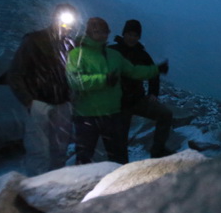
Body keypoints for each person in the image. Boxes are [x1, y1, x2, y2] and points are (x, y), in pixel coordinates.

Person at [67, 17, 169, 165]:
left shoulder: (113, 55)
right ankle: (81, 187)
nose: (102, 35)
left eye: (104, 32)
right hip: (87, 115)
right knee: (84, 159)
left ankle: (122, 187)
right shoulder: (77, 54)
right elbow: (75, 81)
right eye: (97, 32)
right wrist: (104, 79)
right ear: (89, 32)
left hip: (112, 114)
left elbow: (133, 71)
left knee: (118, 159)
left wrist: (156, 69)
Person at [7, 3, 79, 175]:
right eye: (63, 20)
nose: (67, 26)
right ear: (54, 18)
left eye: (70, 22)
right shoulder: (34, 40)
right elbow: (15, 72)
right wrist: (28, 100)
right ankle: (34, 191)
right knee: (38, 151)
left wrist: (71, 98)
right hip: (39, 103)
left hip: (62, 103)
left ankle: (55, 188)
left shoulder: (70, 45)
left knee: (59, 151)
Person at [110, 19, 174, 158]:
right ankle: (120, 167)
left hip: (138, 100)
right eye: (129, 34)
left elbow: (153, 74)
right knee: (120, 144)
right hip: (118, 104)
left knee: (165, 114)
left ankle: (158, 150)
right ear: (124, 34)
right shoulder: (113, 51)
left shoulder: (142, 54)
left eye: (135, 35)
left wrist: (153, 93)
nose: (132, 38)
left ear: (139, 37)